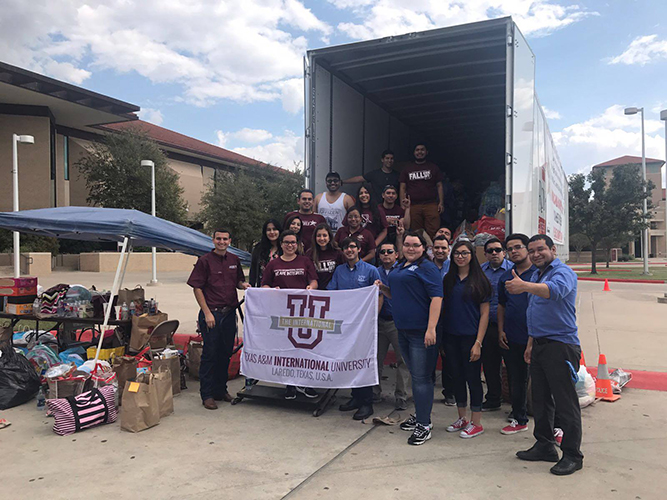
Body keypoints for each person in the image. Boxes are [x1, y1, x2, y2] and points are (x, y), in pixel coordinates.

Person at [508, 234, 584, 476]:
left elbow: (556, 292)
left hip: (560, 346)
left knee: (565, 403)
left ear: (553, 249)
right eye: (532, 251)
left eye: (540, 249)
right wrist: (531, 343)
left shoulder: (562, 272)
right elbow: (535, 311)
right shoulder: (539, 275)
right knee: (540, 399)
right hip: (540, 344)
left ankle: (572, 455)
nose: (535, 254)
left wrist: (524, 286)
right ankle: (544, 445)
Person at [376, 231, 443, 446]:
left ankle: (424, 424)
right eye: (407, 245)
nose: (410, 248)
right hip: (402, 329)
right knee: (415, 375)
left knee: (422, 378)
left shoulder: (428, 268)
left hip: (420, 332)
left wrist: (431, 328)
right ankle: (421, 414)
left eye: (415, 245)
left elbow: (436, 298)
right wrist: (383, 288)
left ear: (424, 247)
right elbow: (397, 294)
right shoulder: (400, 266)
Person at [187, 229, 251, 410]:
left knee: (225, 354)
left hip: (229, 313)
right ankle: (206, 394)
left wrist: (243, 285)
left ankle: (220, 390)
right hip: (212, 314)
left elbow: (238, 281)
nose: (222, 242)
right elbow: (197, 288)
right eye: (218, 239)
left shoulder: (234, 260)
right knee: (210, 355)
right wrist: (206, 313)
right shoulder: (204, 261)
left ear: (230, 240)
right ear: (213, 240)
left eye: (225, 239)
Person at [328, 238, 382, 420]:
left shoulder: (371, 270)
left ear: (359, 249)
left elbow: (380, 295)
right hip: (345, 324)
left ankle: (367, 403)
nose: (349, 250)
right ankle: (355, 398)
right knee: (350, 359)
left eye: (353, 247)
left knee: (363, 361)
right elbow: (331, 293)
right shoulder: (339, 271)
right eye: (346, 247)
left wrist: (374, 316)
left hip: (364, 325)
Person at [442, 240, 492, 438]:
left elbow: (485, 314)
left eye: (464, 253)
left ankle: (476, 422)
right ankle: (462, 418)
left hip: (471, 337)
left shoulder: (481, 281)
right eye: (456, 253)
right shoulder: (448, 280)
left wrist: (478, 342)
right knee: (457, 378)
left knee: (473, 379)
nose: (460, 256)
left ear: (472, 255)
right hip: (451, 336)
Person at [261, 230, 319, 400]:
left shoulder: (305, 261)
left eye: (293, 242)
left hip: (302, 312)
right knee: (286, 349)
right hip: (282, 314)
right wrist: (271, 290)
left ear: (298, 244)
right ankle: (290, 385)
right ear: (281, 244)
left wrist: (311, 288)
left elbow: (314, 281)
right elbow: (264, 285)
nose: (290, 245)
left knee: (304, 348)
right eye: (286, 242)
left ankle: (305, 384)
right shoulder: (274, 264)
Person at [497, 233, 536, 435]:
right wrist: (501, 330)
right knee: (515, 378)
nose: (513, 251)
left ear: (527, 248)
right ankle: (519, 418)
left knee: (540, 379)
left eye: (518, 247)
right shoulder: (506, 276)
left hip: (537, 338)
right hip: (512, 337)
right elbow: (502, 305)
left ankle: (553, 424)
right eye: (510, 249)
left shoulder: (539, 274)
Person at [374, 240, 410, 410]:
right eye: (383, 252)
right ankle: (374, 392)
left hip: (398, 322)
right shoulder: (374, 272)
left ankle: (401, 396)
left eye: (390, 251)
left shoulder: (403, 271)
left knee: (402, 360)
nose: (386, 254)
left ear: (397, 254)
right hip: (379, 322)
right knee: (375, 359)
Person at [480, 237, 512, 412]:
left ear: (504, 252)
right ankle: (493, 398)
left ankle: (516, 403)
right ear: (485, 254)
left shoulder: (512, 270)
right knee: (490, 365)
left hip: (509, 326)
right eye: (490, 251)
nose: (494, 253)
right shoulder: (480, 271)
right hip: (487, 325)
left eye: (498, 250)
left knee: (512, 366)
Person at [399, 143, 444, 239]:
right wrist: (402, 202)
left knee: (433, 229)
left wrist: (441, 202)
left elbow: (439, 185)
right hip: (414, 205)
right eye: (417, 150)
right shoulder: (407, 169)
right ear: (414, 152)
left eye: (422, 150)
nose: (420, 152)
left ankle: (433, 250)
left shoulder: (433, 167)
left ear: (427, 152)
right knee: (416, 231)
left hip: (431, 204)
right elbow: (402, 186)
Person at [431, 235, 453, 405]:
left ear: (448, 249)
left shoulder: (454, 266)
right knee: (428, 356)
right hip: (430, 317)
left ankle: (449, 392)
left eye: (443, 248)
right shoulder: (425, 267)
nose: (439, 251)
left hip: (449, 317)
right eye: (436, 247)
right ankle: (427, 390)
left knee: (449, 356)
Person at [306, 223, 344, 289]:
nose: (322, 238)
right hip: (316, 291)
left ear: (329, 237)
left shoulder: (338, 252)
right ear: (315, 237)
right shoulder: (310, 253)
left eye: (324, 235)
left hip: (334, 291)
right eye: (319, 236)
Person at [249, 219, 282, 287]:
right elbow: (253, 270)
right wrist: (251, 288)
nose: (272, 232)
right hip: (263, 288)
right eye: (268, 230)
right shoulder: (258, 248)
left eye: (274, 229)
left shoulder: (285, 248)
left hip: (281, 289)